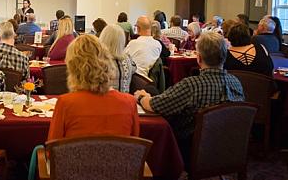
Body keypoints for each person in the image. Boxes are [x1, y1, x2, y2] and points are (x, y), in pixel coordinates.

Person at [135, 32, 244, 165]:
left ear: (198, 58)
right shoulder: (236, 83)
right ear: (225, 57)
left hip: (191, 149)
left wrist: (141, 97)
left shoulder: (191, 85)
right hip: (229, 146)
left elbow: (155, 106)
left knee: (151, 90)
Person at [48, 35, 139, 141]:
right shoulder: (129, 102)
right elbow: (134, 149)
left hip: (77, 157)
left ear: (72, 68)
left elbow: (53, 150)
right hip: (119, 157)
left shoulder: (65, 103)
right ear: (107, 61)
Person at [99, 25, 137, 93]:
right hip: (125, 100)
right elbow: (134, 69)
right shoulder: (128, 59)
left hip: (105, 101)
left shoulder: (100, 61)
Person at [124, 16, 162, 80]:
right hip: (149, 81)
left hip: (133, 79)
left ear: (138, 28)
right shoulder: (158, 45)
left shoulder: (133, 43)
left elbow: (122, 59)